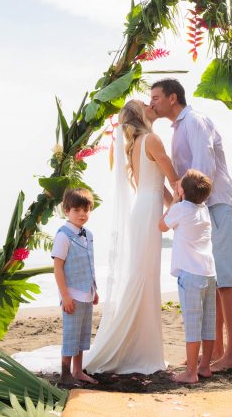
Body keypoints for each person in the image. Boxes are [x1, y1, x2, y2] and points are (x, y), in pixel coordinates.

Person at [150, 79, 232, 371]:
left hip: (217, 205)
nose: (152, 103)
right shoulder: (177, 128)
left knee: (225, 280)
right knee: (211, 282)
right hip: (201, 208)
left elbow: (204, 168)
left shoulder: (194, 121)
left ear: (172, 97)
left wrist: (186, 209)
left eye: (155, 97)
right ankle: (214, 351)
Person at [82, 99, 180, 374]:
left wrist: (174, 207)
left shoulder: (137, 144)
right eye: (145, 105)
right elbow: (171, 179)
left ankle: (143, 347)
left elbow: (158, 186)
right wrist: (183, 201)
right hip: (148, 211)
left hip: (144, 209)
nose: (151, 106)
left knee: (145, 277)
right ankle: (138, 350)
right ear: (140, 115)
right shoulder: (152, 140)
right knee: (143, 277)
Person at [159, 169, 217, 384]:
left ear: (182, 190)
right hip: (209, 272)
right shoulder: (204, 210)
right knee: (208, 323)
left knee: (193, 324)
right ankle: (205, 367)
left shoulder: (181, 208)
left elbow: (161, 226)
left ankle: (191, 372)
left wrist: (174, 200)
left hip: (190, 274)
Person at [52, 188, 100, 386]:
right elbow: (58, 269)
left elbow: (89, 263)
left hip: (86, 293)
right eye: (77, 210)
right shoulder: (63, 236)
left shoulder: (88, 234)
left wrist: (94, 290)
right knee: (71, 336)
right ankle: (65, 374)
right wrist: (65, 296)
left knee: (82, 336)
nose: (82, 214)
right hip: (72, 295)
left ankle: (78, 371)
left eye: (86, 210)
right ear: (66, 211)